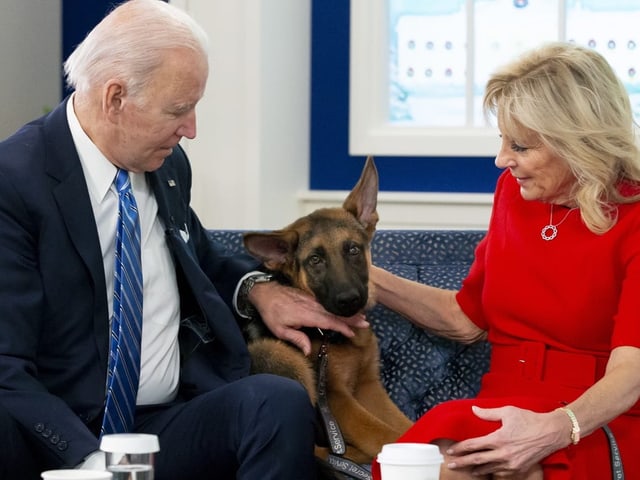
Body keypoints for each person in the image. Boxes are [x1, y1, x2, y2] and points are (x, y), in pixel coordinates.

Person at [0, 1, 368, 479]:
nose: (191, 129)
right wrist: (95, 464)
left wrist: (260, 290)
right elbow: (4, 363)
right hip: (60, 436)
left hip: (160, 425)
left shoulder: (165, 165)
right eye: (179, 109)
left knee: (274, 400)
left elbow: (199, 256)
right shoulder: (15, 182)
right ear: (115, 98)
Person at [370, 42, 640, 480]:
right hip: (497, 406)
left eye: (520, 146)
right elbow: (467, 317)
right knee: (416, 463)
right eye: (502, 140)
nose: (502, 160)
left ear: (577, 141)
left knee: (491, 470)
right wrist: (364, 277)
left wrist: (555, 429)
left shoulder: (634, 218)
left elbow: (631, 374)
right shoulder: (512, 194)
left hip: (592, 421)